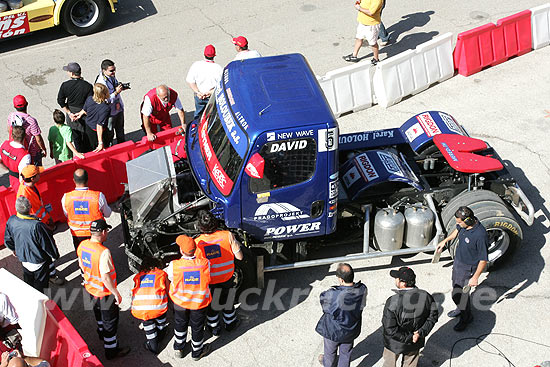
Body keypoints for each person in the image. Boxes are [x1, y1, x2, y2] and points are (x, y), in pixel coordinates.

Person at [76, 219, 130, 360]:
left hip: (90, 290)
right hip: (104, 294)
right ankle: (111, 350)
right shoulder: (103, 252)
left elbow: (81, 266)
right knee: (110, 322)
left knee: (98, 314)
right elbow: (106, 278)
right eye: (107, 231)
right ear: (103, 232)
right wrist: (116, 293)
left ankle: (101, 332)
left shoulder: (82, 245)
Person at [436, 206, 488, 332]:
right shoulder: (463, 225)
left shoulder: (480, 235)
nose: (457, 224)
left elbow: (483, 260)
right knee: (456, 289)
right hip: (459, 262)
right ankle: (460, 309)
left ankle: (466, 318)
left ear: (469, 220)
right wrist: (445, 241)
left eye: (459, 222)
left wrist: (475, 277)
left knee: (460, 295)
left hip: (468, 268)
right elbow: (456, 231)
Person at [195, 210, 242, 335]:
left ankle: (214, 327)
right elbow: (240, 257)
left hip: (210, 281)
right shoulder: (228, 235)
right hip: (227, 278)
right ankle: (230, 323)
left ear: (199, 227)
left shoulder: (198, 243)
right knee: (228, 301)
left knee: (212, 305)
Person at [16, 165, 65, 286]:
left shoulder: (28, 187)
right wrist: (47, 224)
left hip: (41, 224)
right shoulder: (25, 194)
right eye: (38, 174)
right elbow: (34, 215)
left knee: (45, 253)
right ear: (32, 178)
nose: (40, 175)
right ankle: (52, 276)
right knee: (46, 252)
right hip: (39, 227)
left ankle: (50, 273)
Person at [382, 267, 439, 367]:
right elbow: (433, 317)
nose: (395, 280)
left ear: (402, 283)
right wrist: (420, 333)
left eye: (397, 278)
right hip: (415, 342)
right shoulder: (427, 296)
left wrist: (409, 337)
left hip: (395, 343)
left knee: (389, 364)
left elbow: (390, 329)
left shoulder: (392, 301)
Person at [166, 235, 211, 360]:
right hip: (198, 304)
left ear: (181, 250)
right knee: (197, 327)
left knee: (180, 324)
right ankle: (197, 352)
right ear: (195, 250)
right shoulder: (205, 263)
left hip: (180, 302)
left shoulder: (174, 265)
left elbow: (171, 278)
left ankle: (179, 348)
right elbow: (208, 278)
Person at [315, 263, 367, 367]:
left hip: (333, 331)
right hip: (351, 330)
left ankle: (327, 363)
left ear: (341, 280)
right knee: (346, 353)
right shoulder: (362, 289)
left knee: (330, 353)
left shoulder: (333, 295)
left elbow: (324, 303)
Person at [4, 197, 59, 294]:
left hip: (23, 258)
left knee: (28, 281)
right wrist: (55, 255)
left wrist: (14, 249)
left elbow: (8, 239)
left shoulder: (11, 220)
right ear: (30, 208)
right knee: (41, 285)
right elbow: (47, 244)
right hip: (38, 260)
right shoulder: (37, 225)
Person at [62, 168, 112, 250]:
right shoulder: (98, 196)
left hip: (77, 234)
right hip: (95, 233)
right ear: (87, 180)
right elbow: (108, 214)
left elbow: (67, 214)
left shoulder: (66, 198)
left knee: (82, 255)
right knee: (96, 254)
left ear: (74, 180)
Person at [130, 257, 169, 354]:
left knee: (148, 326)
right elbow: (168, 291)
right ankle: (161, 333)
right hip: (158, 308)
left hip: (140, 309)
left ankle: (153, 345)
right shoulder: (162, 274)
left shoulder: (137, 277)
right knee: (161, 316)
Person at [57, 62, 93, 153]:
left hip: (72, 114)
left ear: (72, 73)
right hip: (85, 113)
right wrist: (82, 112)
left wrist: (69, 112)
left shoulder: (65, 85)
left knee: (76, 138)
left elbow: (60, 101)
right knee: (87, 139)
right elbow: (90, 102)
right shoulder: (88, 86)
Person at [6, 95, 47, 166]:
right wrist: (43, 149)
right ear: (27, 104)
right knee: (37, 172)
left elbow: (9, 130)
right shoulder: (31, 121)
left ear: (14, 106)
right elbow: (38, 139)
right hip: (32, 152)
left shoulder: (11, 116)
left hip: (18, 150)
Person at [186, 45, 223, 120]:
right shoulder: (218, 68)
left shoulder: (196, 65)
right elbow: (221, 85)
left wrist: (198, 92)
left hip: (199, 95)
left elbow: (190, 81)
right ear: (214, 55)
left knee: (198, 114)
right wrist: (209, 93)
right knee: (213, 116)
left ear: (204, 54)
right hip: (212, 96)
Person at [95, 59, 126, 145]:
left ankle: (123, 146)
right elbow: (104, 100)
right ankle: (111, 149)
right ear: (104, 70)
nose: (114, 72)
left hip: (118, 108)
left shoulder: (111, 77)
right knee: (110, 133)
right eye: (111, 71)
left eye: (114, 69)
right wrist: (116, 92)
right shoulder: (101, 82)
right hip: (110, 112)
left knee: (120, 129)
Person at [73, 83, 111, 152]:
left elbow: (84, 110)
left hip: (88, 128)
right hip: (97, 132)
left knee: (89, 148)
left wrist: (79, 114)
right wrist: (100, 142)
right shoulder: (105, 108)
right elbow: (99, 126)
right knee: (100, 150)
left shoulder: (90, 99)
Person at [343, 0, 383, 64]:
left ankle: (376, 59)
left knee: (372, 43)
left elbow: (371, 12)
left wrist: (359, 8)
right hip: (362, 22)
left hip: (371, 25)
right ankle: (354, 56)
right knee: (359, 38)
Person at [0, 126, 31, 191]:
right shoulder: (25, 155)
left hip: (11, 177)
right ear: (24, 137)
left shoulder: (3, 145)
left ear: (11, 136)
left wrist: (7, 169)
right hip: (20, 183)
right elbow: (22, 176)